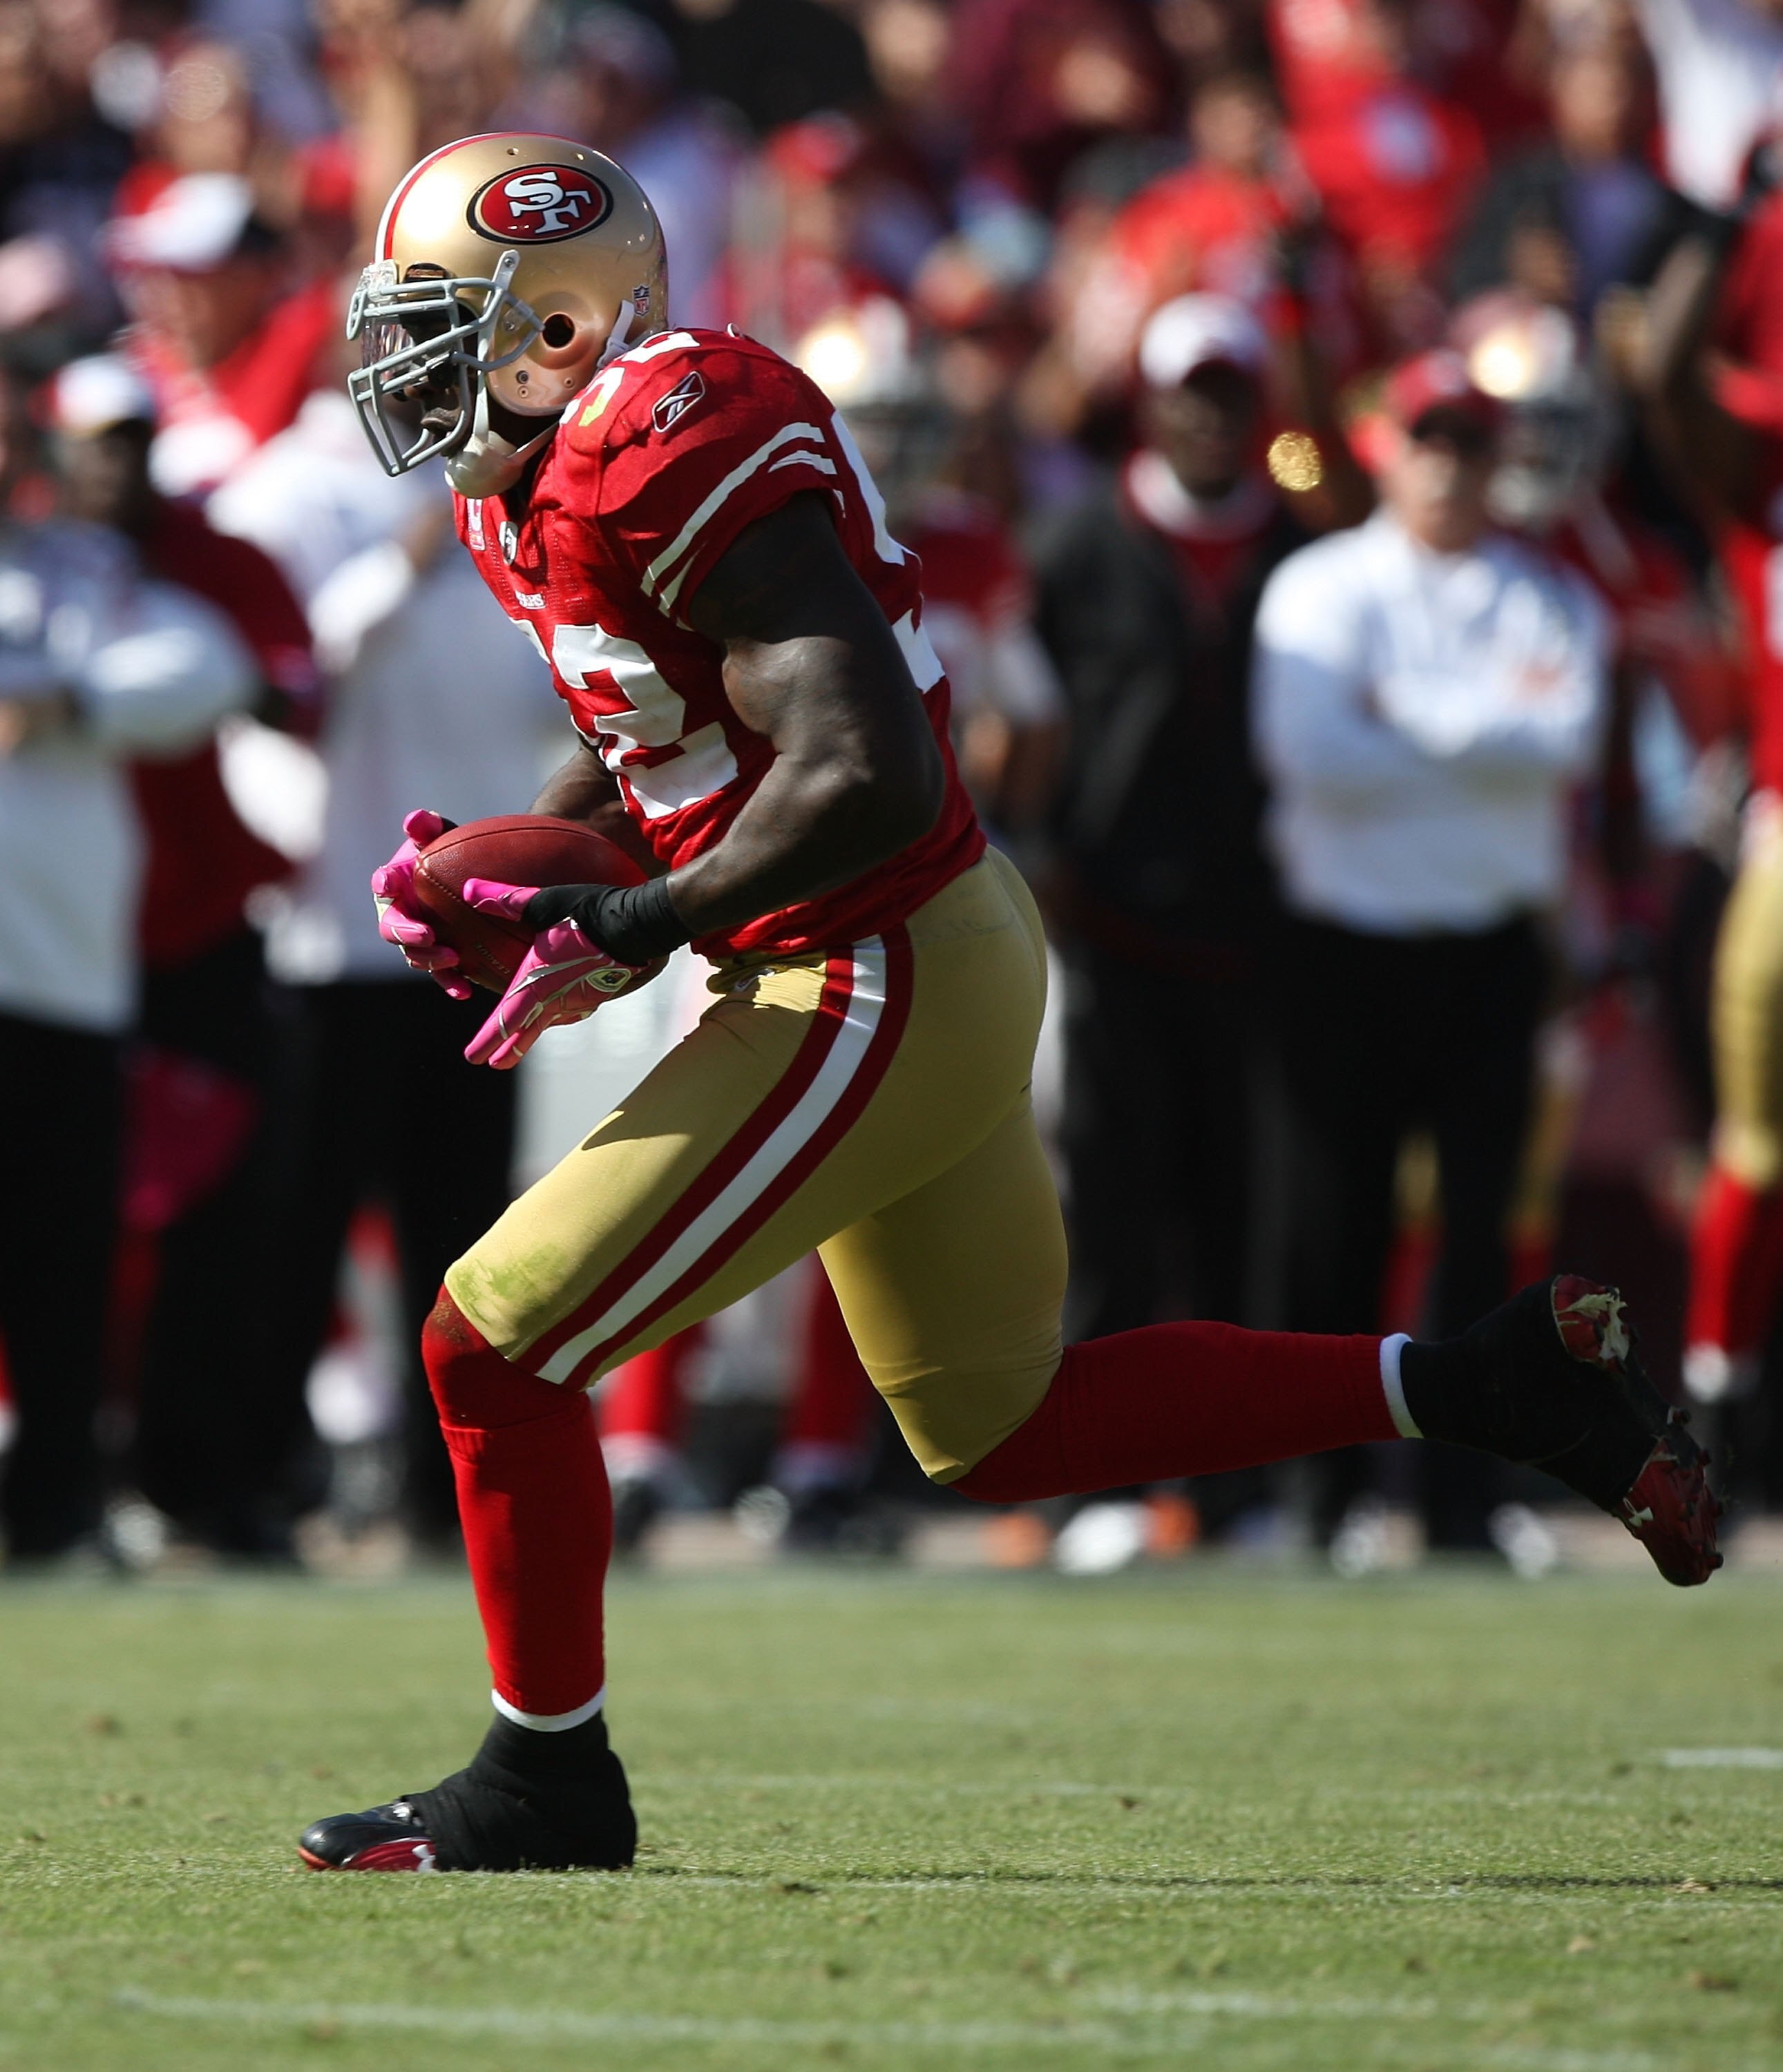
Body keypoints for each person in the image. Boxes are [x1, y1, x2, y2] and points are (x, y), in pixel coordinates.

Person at [299, 133, 1718, 1875]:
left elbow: (869, 769)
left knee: (486, 1344)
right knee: (998, 1424)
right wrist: (531, 867)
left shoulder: (661, 449)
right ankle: (1488, 1384)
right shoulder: (542, 473)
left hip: (866, 961)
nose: (407, 364)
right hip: (901, 951)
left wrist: (639, 920)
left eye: (444, 323)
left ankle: (544, 1782)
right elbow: (674, 741)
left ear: (568, 324)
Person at [1251, 349, 1615, 1555]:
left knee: (1477, 1237)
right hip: (1340, 947)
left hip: (1486, 950)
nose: (1447, 468)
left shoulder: (1545, 595)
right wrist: (1476, 737)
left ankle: (1464, 1501)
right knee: (1331, 1228)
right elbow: (1312, 756)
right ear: (1384, 448)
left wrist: (1401, 724)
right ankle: (1323, 1495)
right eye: (1428, 439)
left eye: (1467, 443)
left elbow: (1559, 736)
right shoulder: (1318, 589)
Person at [47, 351, 321, 1554]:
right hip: (54, 942)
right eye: (88, 444)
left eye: (128, 440)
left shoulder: (213, 566)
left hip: (195, 931)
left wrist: (234, 683)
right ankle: (56, 1474)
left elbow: (292, 692)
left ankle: (202, 1478)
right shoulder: (43, 570)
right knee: (56, 1220)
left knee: (221, 1216)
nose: (110, 467)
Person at [0, 367, 255, 1564]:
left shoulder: (80, 571)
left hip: (62, 973)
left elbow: (201, 668)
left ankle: (56, 1502)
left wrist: (64, 698)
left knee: (63, 1257)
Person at [1037, 294, 1303, 1346]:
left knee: (1237, 1196)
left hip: (1256, 924)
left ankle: (1228, 1470)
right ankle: (1101, 1463)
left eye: (1229, 395)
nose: (1208, 420)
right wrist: (1045, 848)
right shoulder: (1074, 546)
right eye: (1188, 395)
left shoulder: (1296, 545)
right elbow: (1028, 716)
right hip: (1108, 922)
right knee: (1108, 1191)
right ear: (1149, 404)